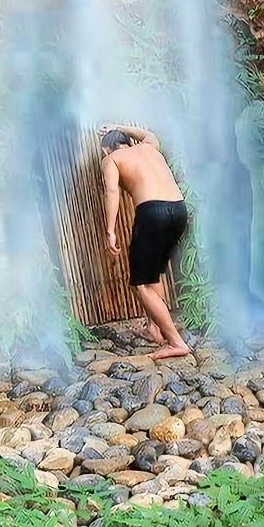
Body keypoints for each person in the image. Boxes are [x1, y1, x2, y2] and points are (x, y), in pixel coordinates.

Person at [98, 124, 191, 360]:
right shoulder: (149, 146)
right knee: (153, 274)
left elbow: (112, 193)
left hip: (153, 213)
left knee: (141, 284)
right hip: (179, 211)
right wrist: (119, 126)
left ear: (107, 149)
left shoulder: (112, 160)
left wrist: (110, 230)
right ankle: (154, 328)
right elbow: (150, 133)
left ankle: (176, 342)